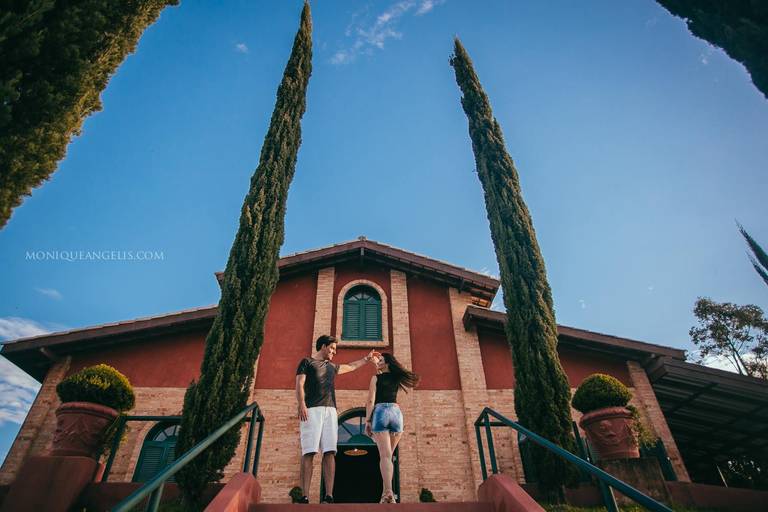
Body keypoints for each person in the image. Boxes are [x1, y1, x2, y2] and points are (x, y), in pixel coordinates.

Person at [295, 335, 379, 504]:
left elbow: (350, 367)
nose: (334, 352)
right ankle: (304, 496)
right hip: (311, 410)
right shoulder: (307, 362)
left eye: (335, 349)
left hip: (331, 411)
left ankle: (329, 495)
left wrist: (366, 359)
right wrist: (301, 404)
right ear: (323, 346)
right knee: (309, 452)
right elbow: (299, 384)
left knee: (330, 452)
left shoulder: (331, 367)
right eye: (332, 348)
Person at [365, 352, 420, 503]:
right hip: (396, 414)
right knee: (388, 457)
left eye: (382, 360)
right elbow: (383, 371)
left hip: (381, 412)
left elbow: (370, 400)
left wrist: (368, 420)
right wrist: (377, 362)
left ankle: (388, 491)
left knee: (384, 457)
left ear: (387, 363)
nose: (379, 362)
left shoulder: (376, 378)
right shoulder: (397, 377)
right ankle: (386, 494)